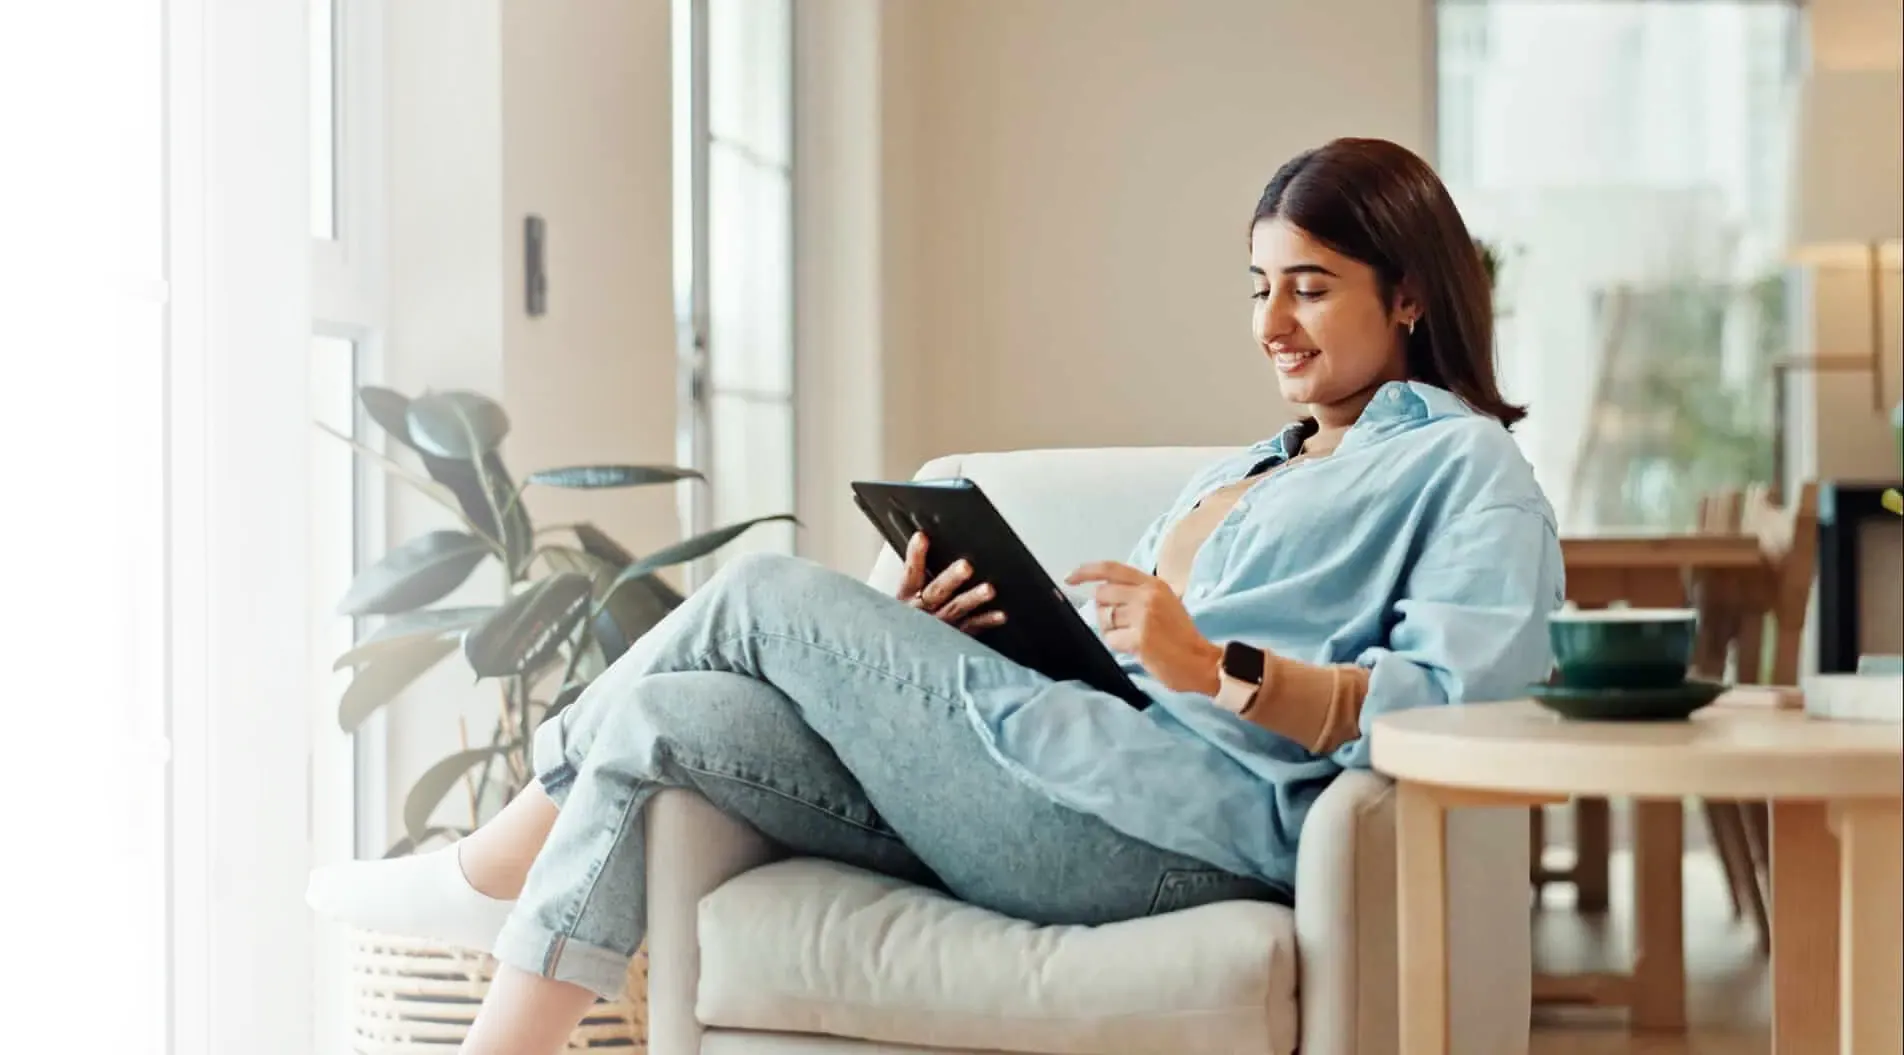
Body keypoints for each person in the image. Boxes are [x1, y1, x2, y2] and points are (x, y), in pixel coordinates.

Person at [306, 137, 1564, 1053]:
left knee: (755, 597)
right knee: (668, 715)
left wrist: (1217, 666)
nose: (1270, 324)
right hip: (1060, 763)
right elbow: (1110, 670)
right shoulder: (1261, 460)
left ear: (1406, 292)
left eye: (1309, 285)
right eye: (1255, 286)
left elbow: (1465, 711)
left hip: (1172, 833)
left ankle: (480, 868)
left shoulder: (1462, 467)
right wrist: (935, 653)